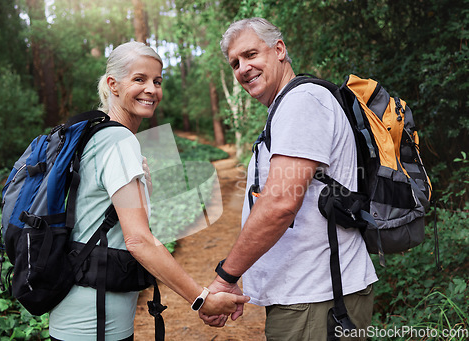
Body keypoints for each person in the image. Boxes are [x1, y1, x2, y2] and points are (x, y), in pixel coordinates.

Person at [48, 41, 249, 341]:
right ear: (113, 85)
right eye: (139, 79)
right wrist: (201, 298)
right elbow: (138, 240)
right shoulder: (119, 141)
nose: (152, 89)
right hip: (95, 320)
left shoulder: (95, 134)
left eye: (157, 81)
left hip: (79, 308)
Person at [200, 18, 378, 340]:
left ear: (279, 50)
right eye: (235, 63)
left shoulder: (301, 103)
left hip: (318, 298)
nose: (242, 68)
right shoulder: (289, 106)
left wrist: (226, 276)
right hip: (310, 295)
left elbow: (280, 203)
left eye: (251, 54)